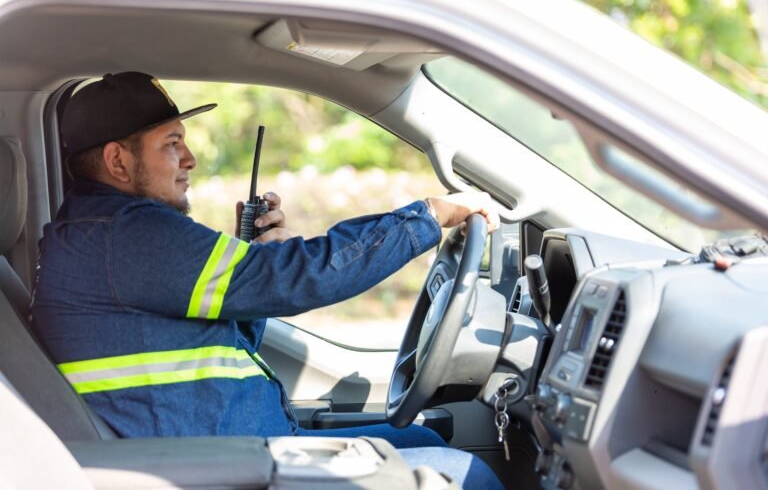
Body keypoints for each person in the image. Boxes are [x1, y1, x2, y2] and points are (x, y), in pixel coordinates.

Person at [31, 71, 503, 489]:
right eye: (172, 144)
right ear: (117, 162)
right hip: (224, 468)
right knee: (465, 475)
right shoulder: (129, 236)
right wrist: (427, 216)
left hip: (240, 449)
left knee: (417, 437)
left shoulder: (99, 234)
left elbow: (231, 336)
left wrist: (256, 261)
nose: (190, 158)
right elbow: (301, 278)